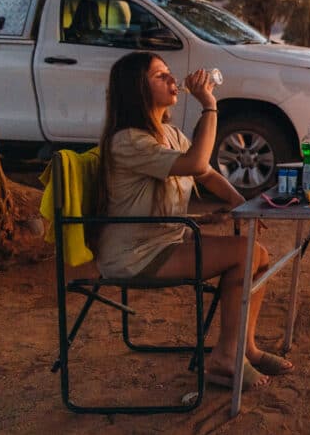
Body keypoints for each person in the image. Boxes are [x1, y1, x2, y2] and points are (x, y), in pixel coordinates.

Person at [94, 51, 293, 391]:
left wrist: (239, 201)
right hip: (135, 255)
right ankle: (226, 358)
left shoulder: (169, 133)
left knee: (257, 255)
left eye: (169, 72)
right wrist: (210, 105)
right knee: (246, 253)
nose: (173, 80)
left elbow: (206, 172)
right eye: (160, 75)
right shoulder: (128, 141)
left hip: (166, 242)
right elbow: (197, 159)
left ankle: (244, 348)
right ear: (136, 90)